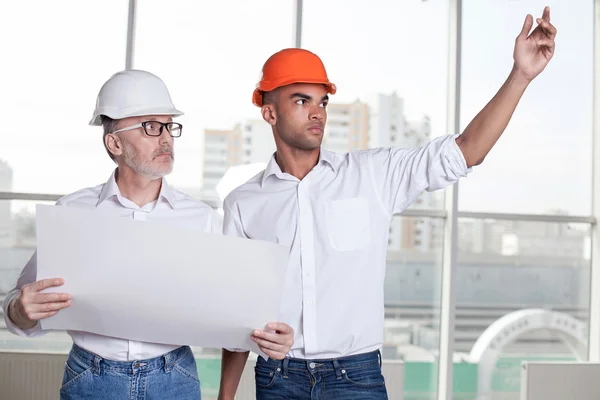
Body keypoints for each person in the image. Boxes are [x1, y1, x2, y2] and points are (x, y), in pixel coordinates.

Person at [217, 7, 557, 400]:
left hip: (355, 379)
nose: (316, 112)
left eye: (322, 102)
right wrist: (226, 395)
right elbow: (237, 312)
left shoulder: (373, 175)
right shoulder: (244, 204)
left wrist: (521, 75)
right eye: (301, 100)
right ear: (269, 112)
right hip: (278, 379)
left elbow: (467, 151)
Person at [3, 69, 293, 400]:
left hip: (174, 379)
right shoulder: (71, 213)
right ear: (114, 142)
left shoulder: (201, 220)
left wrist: (270, 334)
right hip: (91, 380)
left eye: (169, 126)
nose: (166, 138)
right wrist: (21, 310)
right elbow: (19, 306)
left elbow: (239, 315)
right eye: (151, 127)